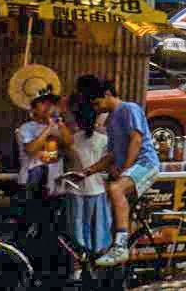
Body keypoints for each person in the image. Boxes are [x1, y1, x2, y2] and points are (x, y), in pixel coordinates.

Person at [77, 78, 161, 267]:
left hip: (146, 164)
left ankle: (121, 247)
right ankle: (120, 256)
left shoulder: (129, 109)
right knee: (113, 206)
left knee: (116, 189)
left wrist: (124, 169)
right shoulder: (111, 119)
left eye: (97, 103)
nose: (96, 109)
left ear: (108, 94)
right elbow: (112, 156)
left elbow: (136, 140)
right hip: (132, 168)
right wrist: (87, 171)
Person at [63, 93, 111, 255]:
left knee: (76, 231)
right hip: (97, 190)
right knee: (97, 230)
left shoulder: (72, 140)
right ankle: (96, 259)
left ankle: (79, 261)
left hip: (75, 191)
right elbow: (108, 165)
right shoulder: (104, 140)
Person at [16, 88, 71, 195]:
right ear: (33, 109)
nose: (48, 106)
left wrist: (59, 123)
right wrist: (49, 128)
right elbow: (30, 149)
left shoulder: (59, 126)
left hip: (55, 183)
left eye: (50, 103)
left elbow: (69, 143)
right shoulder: (26, 128)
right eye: (42, 103)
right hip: (31, 182)